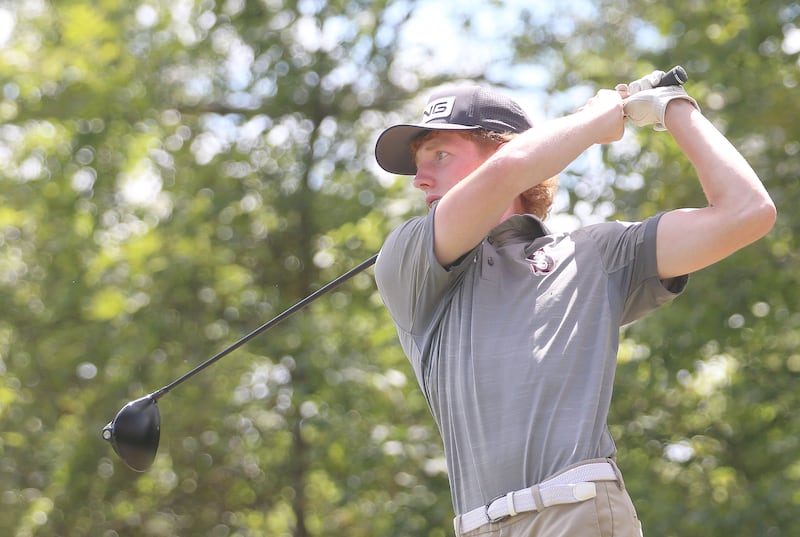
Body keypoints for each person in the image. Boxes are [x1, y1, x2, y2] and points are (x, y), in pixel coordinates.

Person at [372, 72, 776, 537]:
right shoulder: (407, 261)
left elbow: (748, 212)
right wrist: (591, 122)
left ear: (503, 150)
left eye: (440, 155)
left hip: (578, 510)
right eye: (420, 163)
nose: (421, 180)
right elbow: (505, 174)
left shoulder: (597, 252)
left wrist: (672, 107)